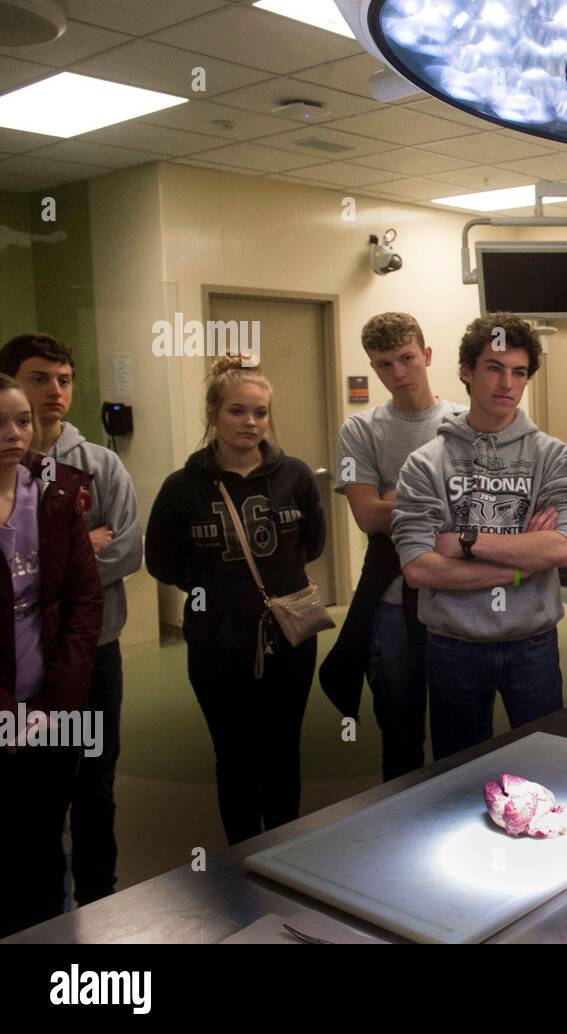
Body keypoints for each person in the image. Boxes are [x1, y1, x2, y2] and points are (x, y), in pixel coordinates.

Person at [145, 357, 326, 846]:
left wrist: (274, 587)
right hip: (216, 643)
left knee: (284, 748)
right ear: (213, 413)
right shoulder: (182, 488)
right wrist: (216, 595)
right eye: (237, 411)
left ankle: (284, 849)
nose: (250, 422)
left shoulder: (295, 475)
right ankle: (242, 853)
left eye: (260, 412)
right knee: (234, 753)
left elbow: (313, 542)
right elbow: (161, 561)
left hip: (289, 637)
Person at [392, 313, 567, 760]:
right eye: (494, 367)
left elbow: (561, 548)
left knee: (546, 766)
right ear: (466, 371)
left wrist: (466, 542)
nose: (507, 383)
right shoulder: (425, 464)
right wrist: (520, 567)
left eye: (519, 372)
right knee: (457, 775)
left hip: (532, 644)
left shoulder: (552, 456)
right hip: (454, 646)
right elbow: (419, 568)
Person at [0, 333, 142, 907]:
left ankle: (97, 894)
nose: (54, 392)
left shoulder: (98, 465)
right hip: (23, 667)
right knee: (34, 793)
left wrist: (63, 563)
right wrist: (76, 551)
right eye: (39, 379)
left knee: (94, 781)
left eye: (64, 380)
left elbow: (127, 549)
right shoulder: (19, 474)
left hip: (96, 651)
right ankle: (40, 899)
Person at [325, 312, 466, 780]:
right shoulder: (359, 431)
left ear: (427, 355)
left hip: (455, 592)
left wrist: (395, 497)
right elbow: (366, 515)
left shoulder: (462, 424)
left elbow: (477, 512)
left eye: (407, 359)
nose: (399, 374)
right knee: (400, 726)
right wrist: (437, 502)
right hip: (389, 595)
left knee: (458, 724)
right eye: (384, 365)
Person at [0, 373, 103, 937]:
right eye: (0, 423)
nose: (15, 434)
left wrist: (56, 701)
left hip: (49, 702)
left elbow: (84, 602)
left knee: (45, 837)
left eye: (22, 421)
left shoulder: (57, 491)